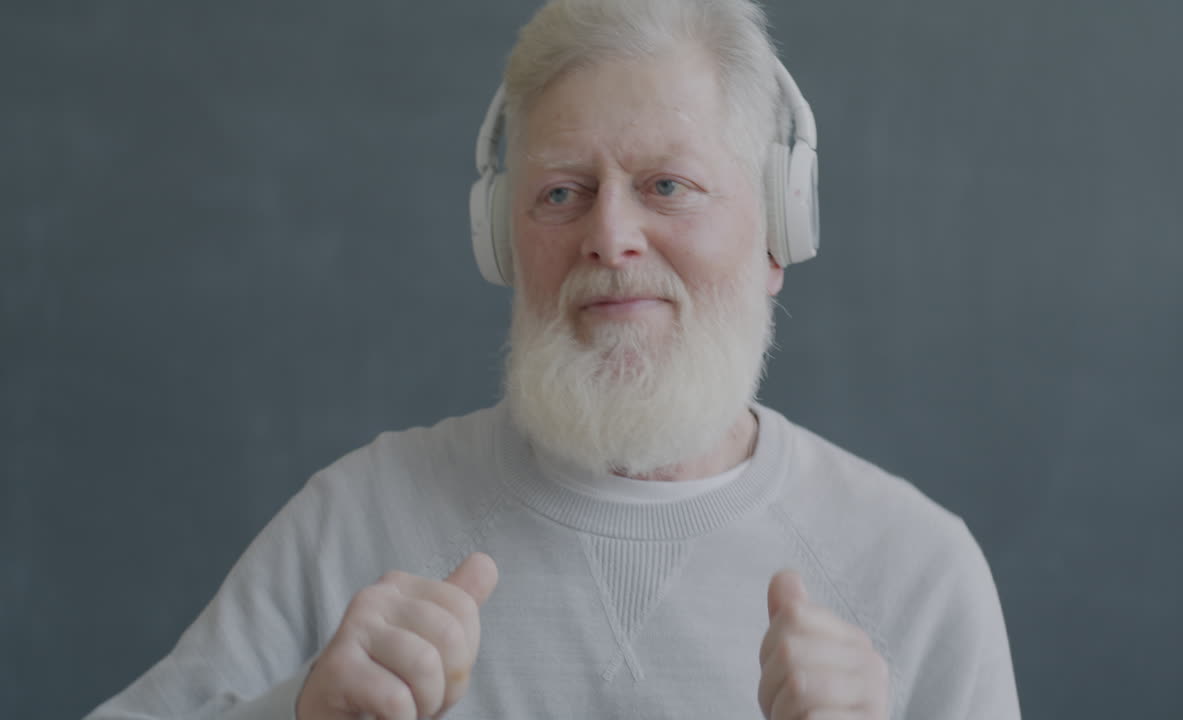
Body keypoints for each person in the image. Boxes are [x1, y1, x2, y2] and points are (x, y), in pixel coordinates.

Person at [87, 0, 1020, 718]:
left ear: (779, 230)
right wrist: (294, 714)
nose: (611, 236)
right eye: (563, 192)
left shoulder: (918, 572)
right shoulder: (352, 523)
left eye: (668, 186)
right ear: (502, 240)